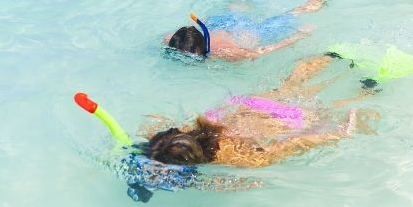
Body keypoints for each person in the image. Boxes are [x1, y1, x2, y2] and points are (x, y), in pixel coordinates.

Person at [138, 53, 379, 168]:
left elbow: (288, 145)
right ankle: (331, 55)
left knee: (331, 108)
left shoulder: (232, 156)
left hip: (288, 120)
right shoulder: (198, 124)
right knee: (289, 85)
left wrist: (340, 132)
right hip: (250, 104)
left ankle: (370, 88)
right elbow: (153, 121)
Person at [164, 0, 337, 61]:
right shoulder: (172, 39)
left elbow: (259, 52)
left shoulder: (225, 52)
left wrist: (299, 35)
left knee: (296, 12)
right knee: (238, 6)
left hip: (250, 31)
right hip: (223, 22)